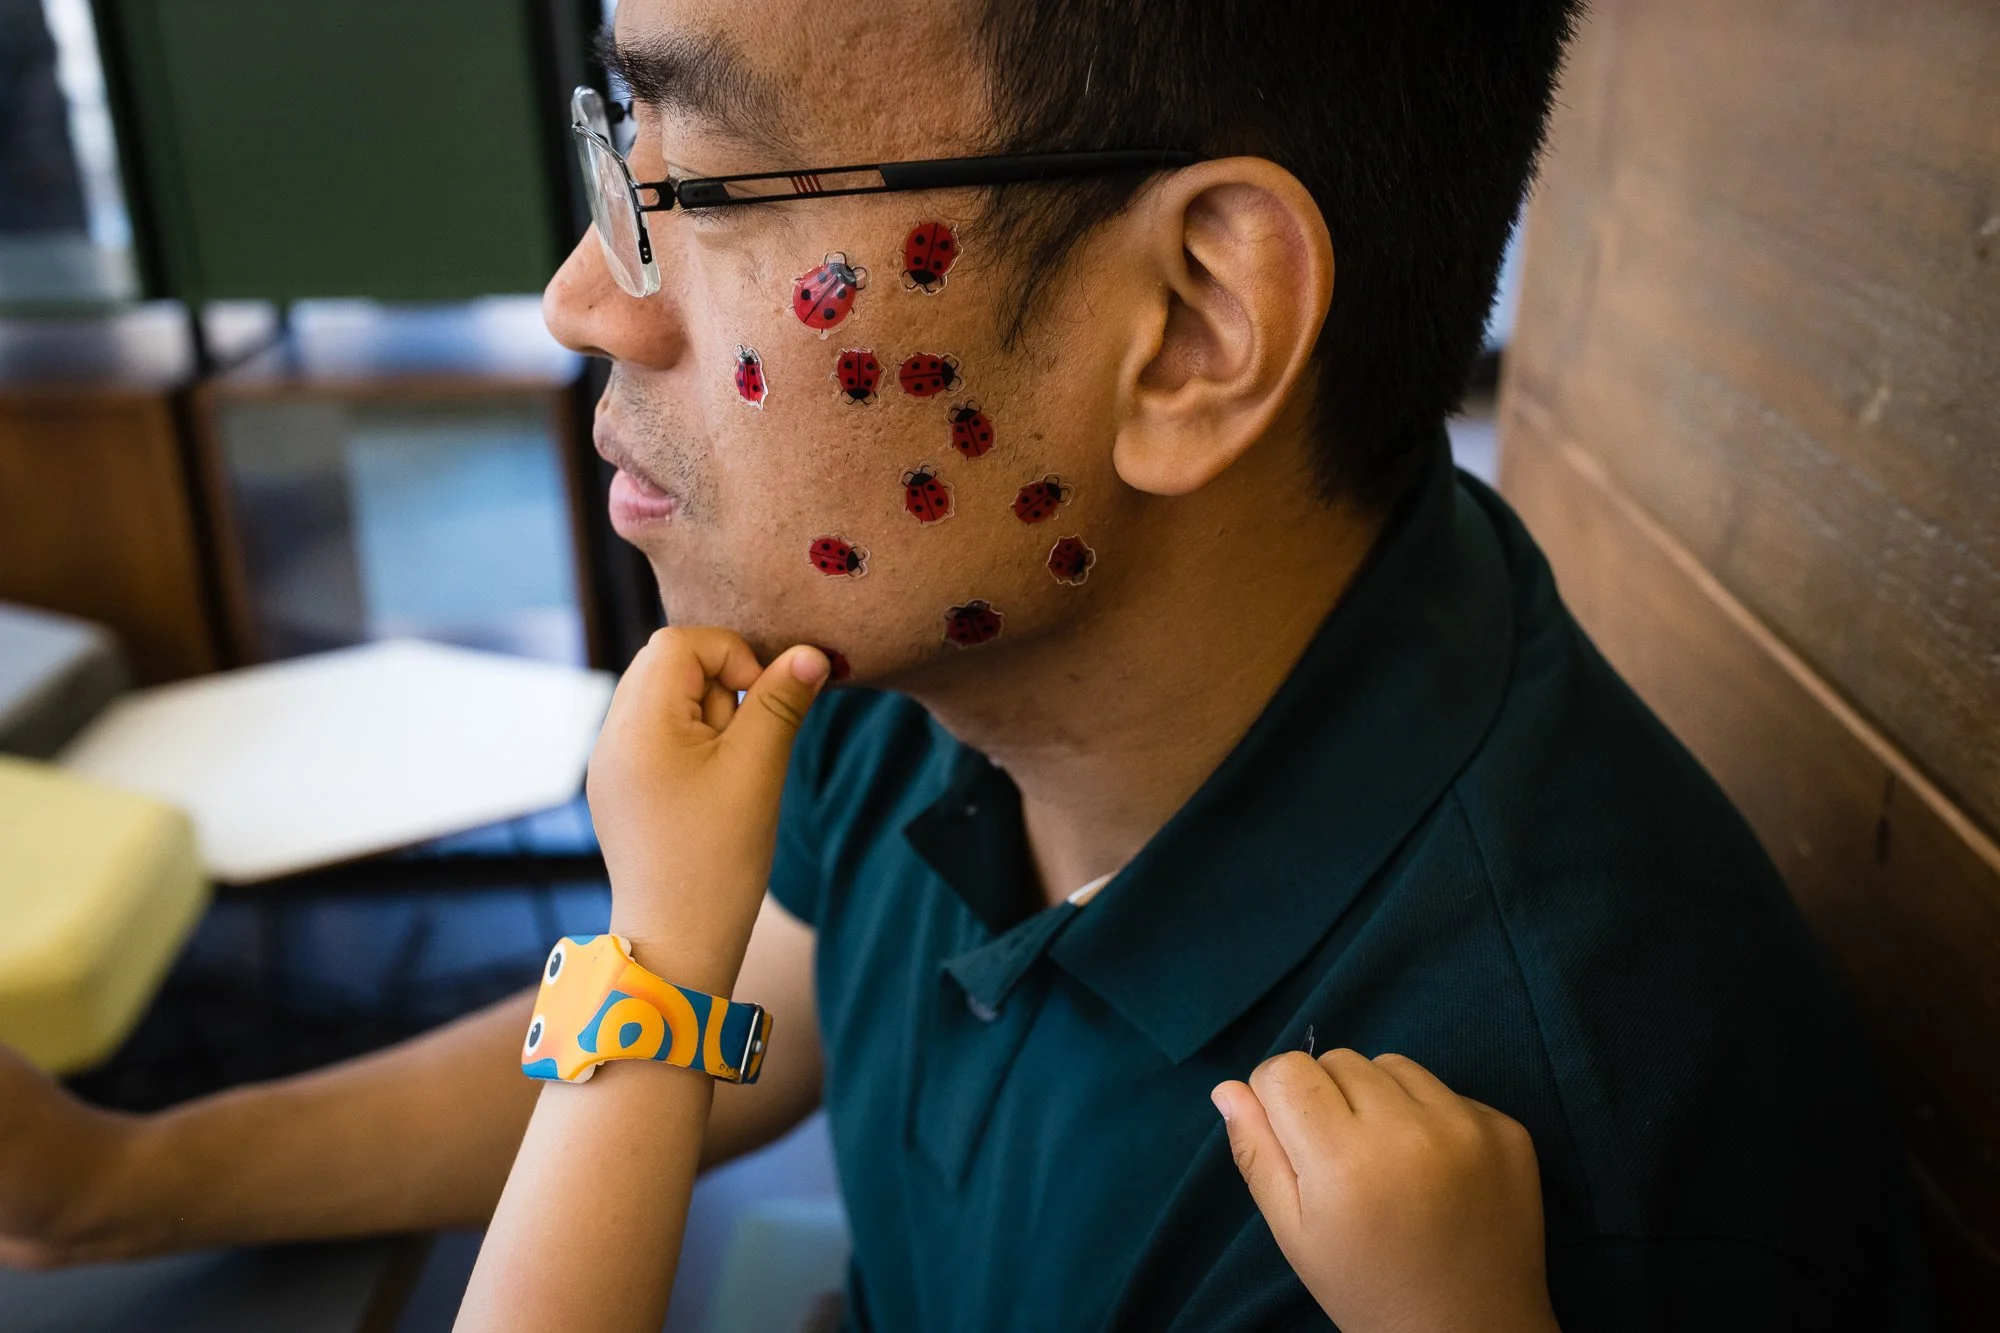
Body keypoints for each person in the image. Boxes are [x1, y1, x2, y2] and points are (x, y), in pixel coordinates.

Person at [0, 0, 1932, 1328]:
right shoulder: (968, 644)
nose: (584, 291)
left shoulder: (1452, 1187)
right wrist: (119, 1185)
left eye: (695, 180)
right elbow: (765, 1007)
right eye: (621, 142)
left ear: (1186, 329)